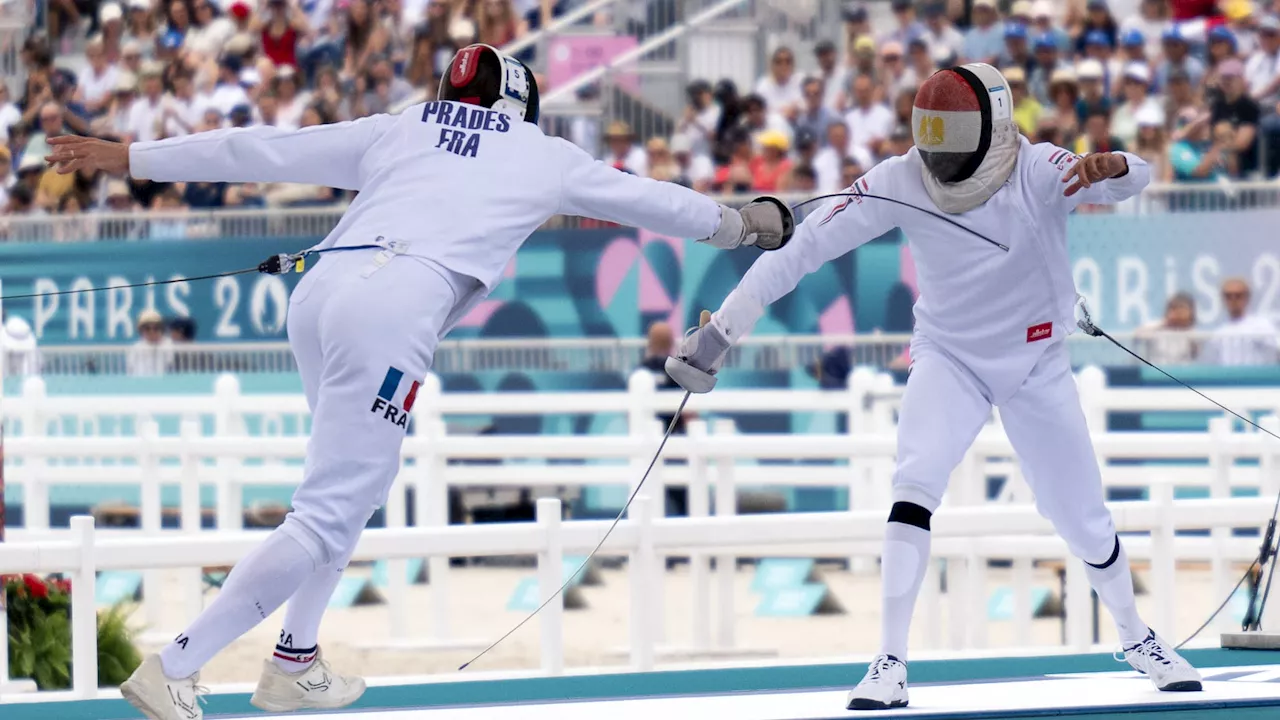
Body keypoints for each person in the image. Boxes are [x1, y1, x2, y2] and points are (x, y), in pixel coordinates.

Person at [46, 44, 794, 720]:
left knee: (348, 492)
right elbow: (646, 199)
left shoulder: (404, 125)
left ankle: (293, 660)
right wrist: (741, 224)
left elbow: (267, 149)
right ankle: (175, 666)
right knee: (332, 508)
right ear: (521, 107)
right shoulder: (540, 151)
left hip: (319, 295)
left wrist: (132, 156)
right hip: (392, 307)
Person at [663, 63, 1203, 712]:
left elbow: (1132, 180)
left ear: (991, 130)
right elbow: (802, 247)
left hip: (1036, 364)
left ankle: (1137, 636)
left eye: (951, 146)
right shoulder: (899, 180)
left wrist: (1112, 166)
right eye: (932, 143)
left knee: (1083, 519)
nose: (939, 160)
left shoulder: (1036, 167)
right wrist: (720, 332)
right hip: (951, 358)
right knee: (914, 484)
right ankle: (888, 662)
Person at [1204, 278, 1280, 365]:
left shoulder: (1262, 325)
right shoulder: (1218, 334)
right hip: (1228, 377)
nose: (1233, 300)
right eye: (1228, 296)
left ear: (1247, 297)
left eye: (1238, 295)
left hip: (1254, 377)